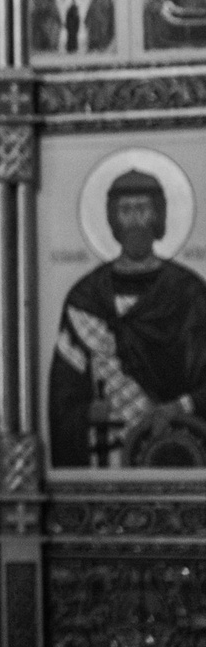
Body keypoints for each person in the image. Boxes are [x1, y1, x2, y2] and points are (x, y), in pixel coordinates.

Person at [48, 167, 206, 469]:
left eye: (143, 209)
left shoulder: (188, 293)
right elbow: (64, 394)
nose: (135, 220)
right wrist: (86, 413)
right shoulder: (86, 298)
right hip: (104, 454)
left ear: (157, 215)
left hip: (175, 449)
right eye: (126, 210)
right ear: (113, 218)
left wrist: (179, 406)